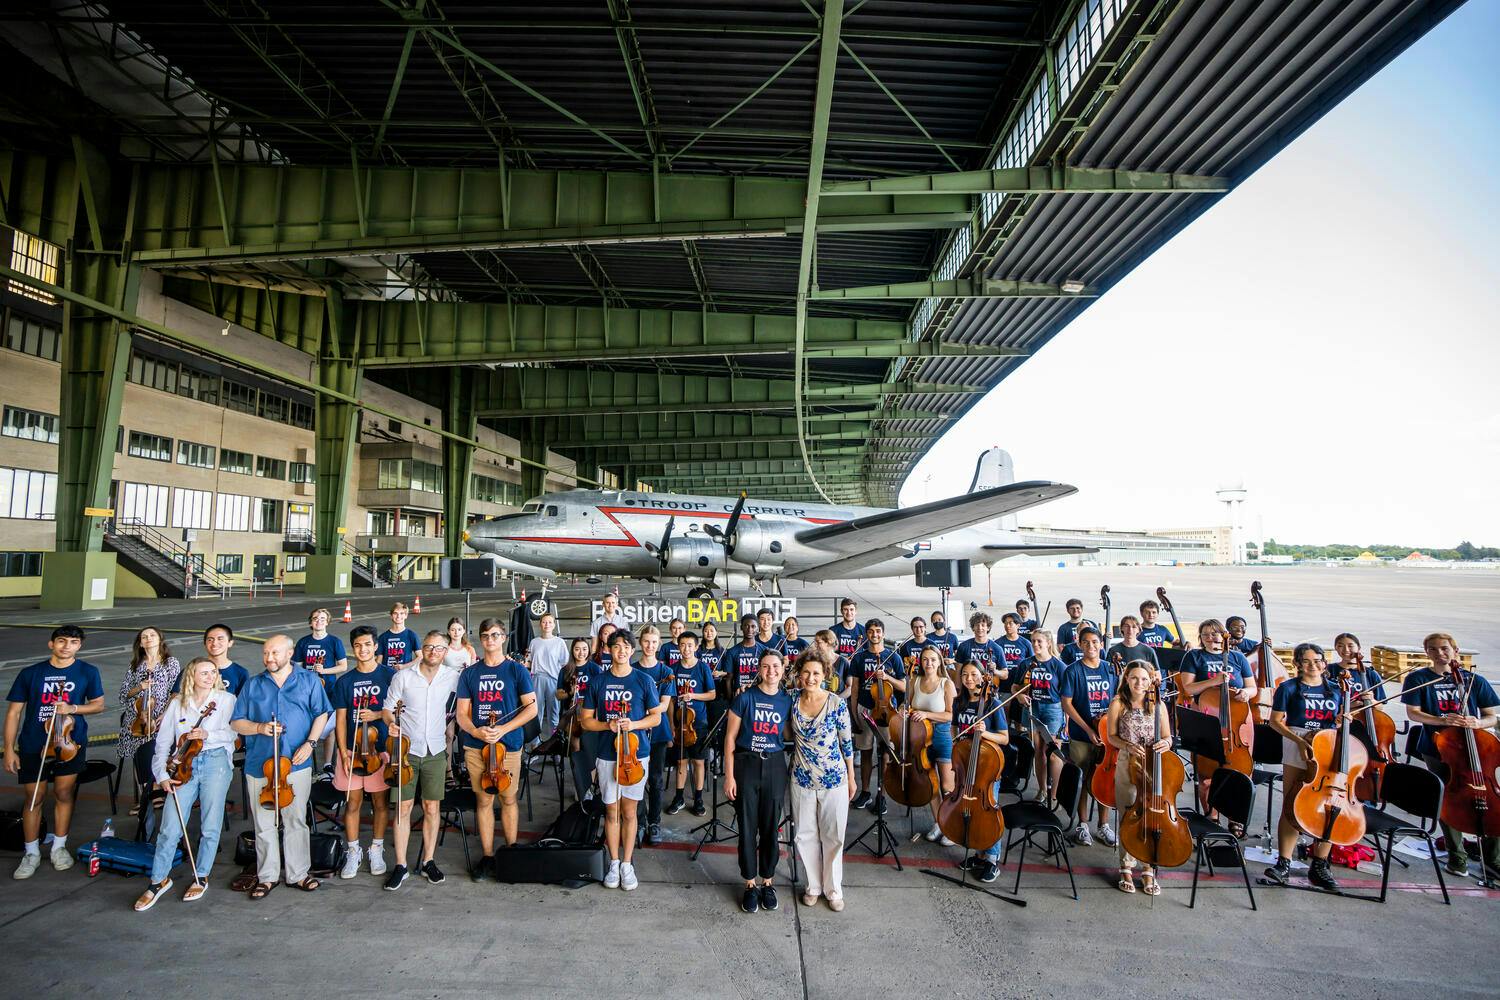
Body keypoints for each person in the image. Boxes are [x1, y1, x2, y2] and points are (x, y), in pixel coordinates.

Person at [229, 634, 332, 899]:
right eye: (265, 653)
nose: (269, 658)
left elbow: (321, 713)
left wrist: (310, 743)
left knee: (296, 820)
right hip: (259, 765)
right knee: (263, 823)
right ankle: (267, 876)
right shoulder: (253, 684)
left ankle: (298, 874)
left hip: (296, 763)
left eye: (274, 653)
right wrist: (259, 728)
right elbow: (237, 722)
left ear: (289, 654)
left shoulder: (308, 680)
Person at [133, 657, 237, 910]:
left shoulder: (227, 700)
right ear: (192, 675)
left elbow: (235, 733)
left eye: (213, 672)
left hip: (215, 761)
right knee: (170, 825)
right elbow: (163, 741)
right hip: (182, 764)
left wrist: (208, 734)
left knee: (210, 825)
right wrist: (162, 775)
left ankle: (201, 876)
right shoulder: (178, 703)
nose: (210, 676)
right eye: (204, 672)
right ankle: (158, 880)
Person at [4, 625, 105, 879]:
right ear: (51, 644)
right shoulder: (31, 673)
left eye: (72, 642)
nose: (66, 646)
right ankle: (31, 852)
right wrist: (9, 750)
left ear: (79, 646)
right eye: (61, 641)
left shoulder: (88, 672)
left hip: (70, 744)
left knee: (63, 793)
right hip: (32, 745)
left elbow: (98, 706)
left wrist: (72, 709)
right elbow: (14, 713)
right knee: (33, 798)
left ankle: (59, 848)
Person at [1403, 632, 1500, 880]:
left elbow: (1491, 715)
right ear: (1427, 653)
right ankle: (1457, 856)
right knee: (1448, 797)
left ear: (1456, 651)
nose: (1439, 653)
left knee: (1491, 798)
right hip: (1438, 747)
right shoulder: (1419, 678)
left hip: (1476, 746)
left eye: (1444, 648)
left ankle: (1493, 858)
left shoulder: (1473, 680)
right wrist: (1441, 720)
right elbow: (1414, 713)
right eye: (1433, 649)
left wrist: (1476, 723)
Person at [381, 631, 464, 891]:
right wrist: (391, 723)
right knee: (403, 808)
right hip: (405, 752)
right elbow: (387, 707)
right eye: (428, 647)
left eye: (438, 648)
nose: (433, 652)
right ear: (422, 649)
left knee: (431, 808)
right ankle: (401, 865)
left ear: (445, 652)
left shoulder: (452, 677)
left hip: (436, 750)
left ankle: (428, 860)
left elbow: (469, 693)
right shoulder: (403, 676)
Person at [456, 619, 537, 881]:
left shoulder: (516, 671)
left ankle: (511, 851)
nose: (490, 639)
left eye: (494, 635)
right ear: (481, 639)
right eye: (485, 635)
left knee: (509, 798)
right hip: (477, 746)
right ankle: (489, 855)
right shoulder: (470, 674)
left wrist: (504, 729)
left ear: (503, 637)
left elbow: (531, 708)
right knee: (484, 800)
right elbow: (461, 714)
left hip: (508, 745)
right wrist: (476, 731)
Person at [581, 631, 660, 891]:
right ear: (609, 649)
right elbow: (586, 721)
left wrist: (633, 724)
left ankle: (627, 863)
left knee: (629, 812)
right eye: (616, 647)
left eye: (626, 647)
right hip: (607, 754)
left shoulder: (644, 680)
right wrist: (608, 724)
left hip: (636, 755)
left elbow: (655, 718)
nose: (622, 651)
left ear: (632, 650)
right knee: (611, 811)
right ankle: (613, 862)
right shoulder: (597, 682)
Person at [1263, 643, 1345, 890]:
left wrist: (1341, 721)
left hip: (1329, 744)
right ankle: (1283, 863)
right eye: (1307, 661)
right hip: (1298, 742)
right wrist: (1298, 741)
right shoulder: (1288, 688)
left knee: (1332, 805)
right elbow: (1275, 722)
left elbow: (1337, 720)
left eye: (1318, 660)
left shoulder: (1336, 690)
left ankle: (1320, 864)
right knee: (1293, 802)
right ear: (1297, 664)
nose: (1313, 665)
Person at [725, 650, 793, 913]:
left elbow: (789, 732)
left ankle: (768, 881)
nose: (771, 671)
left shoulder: (787, 700)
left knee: (769, 827)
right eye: (766, 666)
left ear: (782, 669)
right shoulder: (745, 698)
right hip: (747, 764)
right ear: (759, 669)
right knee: (747, 826)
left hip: (775, 764)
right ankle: (750, 883)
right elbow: (730, 739)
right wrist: (729, 776)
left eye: (776, 666)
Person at [789, 652, 855, 911]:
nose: (810, 678)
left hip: (834, 779)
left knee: (834, 836)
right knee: (804, 835)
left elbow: (846, 743)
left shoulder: (837, 703)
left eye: (816, 673)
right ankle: (813, 886)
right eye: (806, 672)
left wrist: (851, 777)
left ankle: (833, 889)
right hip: (802, 778)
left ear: (825, 675)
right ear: (799, 674)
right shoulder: (792, 700)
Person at [1103, 662, 1174, 896]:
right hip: (1128, 762)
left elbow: (1167, 736)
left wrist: (1165, 743)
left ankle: (1148, 866)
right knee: (1130, 813)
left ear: (1151, 680)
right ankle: (1125, 865)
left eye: (1144, 679)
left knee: (1153, 813)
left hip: (1154, 763)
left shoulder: (1159, 705)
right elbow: (1111, 736)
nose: (1139, 683)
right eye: (1134, 678)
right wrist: (1128, 746)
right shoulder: (1118, 703)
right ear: (1126, 679)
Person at [331, 625, 394, 880]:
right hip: (353, 751)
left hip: (379, 751)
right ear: (353, 648)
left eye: (367, 644)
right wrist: (343, 752)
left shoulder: (389, 676)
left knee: (380, 803)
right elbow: (341, 720)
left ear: (376, 646)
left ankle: (376, 849)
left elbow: (398, 711)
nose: (363, 649)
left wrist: (378, 714)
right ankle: (353, 850)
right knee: (353, 802)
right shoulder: (346, 681)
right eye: (358, 645)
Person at [1058, 627, 1119, 847]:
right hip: (1081, 735)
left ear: (1101, 643)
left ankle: (1104, 826)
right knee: (1082, 779)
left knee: (1105, 779)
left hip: (1107, 735)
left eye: (1095, 642)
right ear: (1079, 644)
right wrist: (1087, 729)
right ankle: (1083, 825)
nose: (1091, 646)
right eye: (1086, 642)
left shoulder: (1110, 669)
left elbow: (1118, 699)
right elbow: (1067, 704)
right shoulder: (1073, 671)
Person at [118, 627, 182, 825]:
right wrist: (140, 687)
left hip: (161, 718)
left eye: (152, 635)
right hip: (138, 717)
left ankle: (157, 790)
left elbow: (176, 692)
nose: (148, 639)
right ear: (140, 642)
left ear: (160, 639)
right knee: (139, 754)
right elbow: (123, 695)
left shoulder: (170, 663)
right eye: (144, 637)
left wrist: (165, 715)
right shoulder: (135, 665)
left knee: (157, 751)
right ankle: (144, 795)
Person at [952, 662, 1010, 882]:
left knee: (988, 810)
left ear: (982, 677)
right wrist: (955, 744)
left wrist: (985, 733)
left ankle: (992, 859)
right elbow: (955, 728)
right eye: (965, 674)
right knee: (972, 809)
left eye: (974, 674)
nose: (969, 678)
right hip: (965, 762)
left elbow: (1004, 738)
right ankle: (978, 854)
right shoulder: (959, 702)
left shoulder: (992, 703)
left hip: (987, 766)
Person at [845, 618, 906, 810]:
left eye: (878, 631)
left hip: (886, 711)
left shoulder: (892, 657)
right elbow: (854, 689)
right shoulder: (860, 658)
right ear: (867, 634)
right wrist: (854, 713)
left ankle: (882, 794)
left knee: (885, 753)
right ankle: (865, 792)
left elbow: (904, 686)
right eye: (871, 631)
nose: (875, 634)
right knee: (865, 752)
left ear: (883, 633)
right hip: (865, 708)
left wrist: (887, 677)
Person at [631, 625, 675, 845]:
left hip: (657, 731)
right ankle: (638, 820)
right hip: (635, 731)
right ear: (640, 642)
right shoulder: (631, 669)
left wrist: (645, 710)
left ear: (659, 644)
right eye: (646, 641)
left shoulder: (665, 672)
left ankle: (654, 821)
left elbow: (664, 705)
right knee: (636, 778)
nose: (649, 646)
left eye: (654, 642)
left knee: (656, 779)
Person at [909, 646, 957, 846]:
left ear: (939, 662)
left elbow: (950, 715)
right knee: (931, 784)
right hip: (920, 736)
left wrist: (927, 714)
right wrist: (906, 710)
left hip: (941, 735)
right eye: (925, 659)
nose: (929, 663)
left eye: (933, 660)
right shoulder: (915, 681)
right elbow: (909, 706)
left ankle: (952, 827)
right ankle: (939, 823)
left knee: (947, 785)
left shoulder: (947, 684)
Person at [667, 630, 715, 817]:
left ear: (696, 647)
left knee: (698, 762)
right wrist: (671, 724)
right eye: (682, 645)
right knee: (681, 761)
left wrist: (692, 695)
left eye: (689, 645)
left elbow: (712, 694)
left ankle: (698, 798)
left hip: (698, 722)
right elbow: (671, 700)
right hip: (680, 722)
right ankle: (679, 797)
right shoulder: (673, 669)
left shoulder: (702, 668)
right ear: (678, 647)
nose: (686, 649)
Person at [1016, 631, 1067, 804]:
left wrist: (1066, 721)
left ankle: (1056, 794)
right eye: (1033, 641)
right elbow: (1016, 686)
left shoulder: (1059, 666)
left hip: (1053, 709)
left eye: (1039, 641)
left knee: (1052, 752)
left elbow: (1066, 695)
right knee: (1038, 751)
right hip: (1033, 707)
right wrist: (1019, 696)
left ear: (1048, 642)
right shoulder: (1026, 663)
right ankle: (1042, 789)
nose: (1035, 644)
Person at [294, 607, 347, 763]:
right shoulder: (303, 642)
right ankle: (304, 760)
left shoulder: (334, 641)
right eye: (316, 618)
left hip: (328, 689)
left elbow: (343, 666)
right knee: (306, 725)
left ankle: (328, 763)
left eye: (322, 618)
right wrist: (308, 676)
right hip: (306, 691)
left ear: (327, 622)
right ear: (311, 622)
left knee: (329, 727)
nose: (319, 621)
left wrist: (325, 670)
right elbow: (297, 667)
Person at [1175, 620, 1257, 709]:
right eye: (1205, 634)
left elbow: (1252, 688)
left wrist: (1245, 692)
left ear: (1223, 636)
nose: (1209, 637)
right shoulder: (1193, 656)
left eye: (1214, 634)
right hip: (1204, 709)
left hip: (1235, 709)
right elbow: (1189, 688)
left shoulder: (1238, 657)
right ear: (1200, 637)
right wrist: (1213, 681)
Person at [559, 636, 600, 803]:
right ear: (572, 651)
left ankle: (591, 786)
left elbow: (600, 693)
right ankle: (579, 786)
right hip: (572, 717)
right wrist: (570, 692)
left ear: (589, 650)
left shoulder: (595, 669)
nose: (581, 652)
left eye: (584, 649)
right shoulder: (566, 670)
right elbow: (558, 693)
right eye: (577, 649)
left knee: (591, 752)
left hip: (589, 716)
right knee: (575, 750)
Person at [528, 611, 569, 738]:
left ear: (554, 625)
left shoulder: (559, 642)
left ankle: (554, 745)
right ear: (540, 624)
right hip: (537, 679)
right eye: (544, 622)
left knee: (554, 715)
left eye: (550, 622)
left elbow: (564, 663)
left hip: (553, 680)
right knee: (536, 714)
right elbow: (529, 662)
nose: (547, 624)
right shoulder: (534, 642)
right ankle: (535, 746)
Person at [724, 614, 768, 697]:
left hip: (760, 694)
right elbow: (729, 679)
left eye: (753, 626)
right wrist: (729, 700)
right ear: (741, 628)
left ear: (757, 628)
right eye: (746, 626)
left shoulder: (765, 650)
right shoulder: (732, 651)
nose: (749, 629)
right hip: (740, 695)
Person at [956, 612, 1007, 681]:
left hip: (988, 688)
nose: (980, 628)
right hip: (967, 686)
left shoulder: (997, 648)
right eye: (977, 625)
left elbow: (1005, 675)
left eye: (983, 625)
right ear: (973, 628)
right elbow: (958, 672)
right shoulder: (963, 646)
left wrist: (995, 671)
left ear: (988, 628)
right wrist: (958, 689)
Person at [203, 623, 249, 695]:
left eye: (220, 639)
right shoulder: (192, 670)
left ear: (230, 643)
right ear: (205, 644)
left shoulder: (240, 673)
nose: (214, 643)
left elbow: (243, 703)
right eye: (210, 640)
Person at [377, 602, 421, 670]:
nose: (398, 616)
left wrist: (404, 666)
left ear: (406, 616)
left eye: (401, 613)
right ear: (391, 616)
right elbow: (378, 661)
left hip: (405, 675)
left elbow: (420, 657)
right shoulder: (383, 637)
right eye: (395, 613)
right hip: (387, 676)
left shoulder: (411, 635)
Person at [994, 613, 1033, 679]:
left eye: (1010, 623)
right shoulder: (997, 643)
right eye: (1005, 623)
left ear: (1018, 625)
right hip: (1000, 681)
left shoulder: (1026, 643)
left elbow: (1032, 663)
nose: (1007, 626)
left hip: (1020, 680)